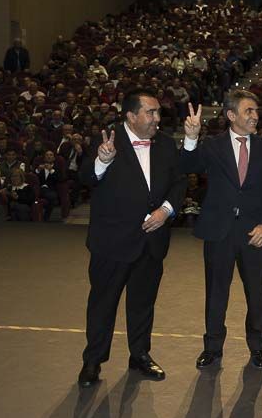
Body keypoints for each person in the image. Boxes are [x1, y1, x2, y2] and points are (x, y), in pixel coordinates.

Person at [77, 89, 187, 388]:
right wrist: (102, 161)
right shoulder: (106, 139)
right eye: (150, 112)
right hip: (112, 242)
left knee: (142, 304)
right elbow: (85, 177)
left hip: (152, 241)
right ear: (131, 115)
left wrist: (166, 211)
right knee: (103, 304)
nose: (157, 118)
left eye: (157, 112)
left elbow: (179, 182)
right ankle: (93, 361)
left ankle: (140, 355)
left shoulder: (164, 143)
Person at [181, 92, 262, 370]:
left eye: (256, 111)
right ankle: (212, 348)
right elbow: (188, 166)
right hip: (219, 232)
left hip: (255, 233)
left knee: (257, 294)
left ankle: (258, 348)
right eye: (248, 111)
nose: (255, 116)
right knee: (216, 294)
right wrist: (190, 137)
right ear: (231, 116)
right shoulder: (212, 146)